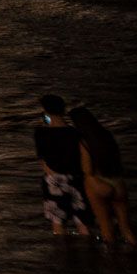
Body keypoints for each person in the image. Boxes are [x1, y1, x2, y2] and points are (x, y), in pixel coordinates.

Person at [71, 107, 137, 246]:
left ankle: (109, 263)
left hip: (98, 183)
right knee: (126, 230)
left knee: (106, 230)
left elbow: (87, 170)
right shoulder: (107, 136)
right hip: (117, 183)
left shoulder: (84, 142)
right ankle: (135, 256)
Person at [34, 95, 92, 236]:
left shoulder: (40, 133)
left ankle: (62, 254)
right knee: (82, 223)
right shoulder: (75, 132)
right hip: (77, 179)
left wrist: (52, 175)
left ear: (45, 111)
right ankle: (89, 252)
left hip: (55, 180)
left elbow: (42, 160)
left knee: (58, 225)